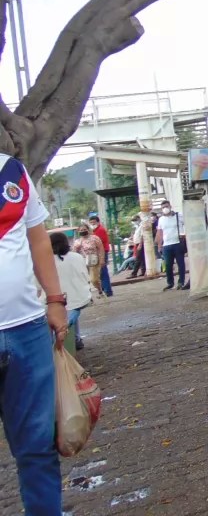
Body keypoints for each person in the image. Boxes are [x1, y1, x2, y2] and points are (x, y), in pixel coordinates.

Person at [0, 152, 70, 514]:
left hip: (26, 329)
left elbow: (38, 240)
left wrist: (56, 301)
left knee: (38, 448)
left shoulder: (11, 171)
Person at [48, 232, 92, 351]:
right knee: (72, 312)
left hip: (54, 301)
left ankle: (60, 343)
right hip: (78, 298)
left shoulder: (46, 261)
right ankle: (76, 339)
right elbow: (86, 278)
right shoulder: (77, 257)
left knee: (61, 319)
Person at [155, 200, 187, 291]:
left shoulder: (178, 216)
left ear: (170, 206)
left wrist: (184, 235)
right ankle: (170, 283)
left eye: (166, 206)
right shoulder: (161, 219)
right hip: (167, 245)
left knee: (181, 264)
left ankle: (181, 282)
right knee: (168, 265)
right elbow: (160, 232)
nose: (165, 208)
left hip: (177, 243)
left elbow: (187, 224)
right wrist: (159, 245)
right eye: (163, 207)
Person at [72, 222, 105, 297]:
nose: (82, 231)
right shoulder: (77, 241)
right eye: (81, 230)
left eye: (84, 229)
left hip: (94, 261)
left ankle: (99, 289)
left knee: (94, 279)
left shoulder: (95, 238)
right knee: (85, 280)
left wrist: (102, 259)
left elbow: (101, 248)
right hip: (83, 262)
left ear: (88, 229)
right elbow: (74, 253)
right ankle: (88, 296)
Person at [88, 214, 113, 297]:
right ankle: (104, 290)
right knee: (100, 272)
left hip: (102, 252)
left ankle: (107, 291)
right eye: (91, 223)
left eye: (94, 222)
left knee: (103, 272)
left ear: (98, 222)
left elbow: (99, 243)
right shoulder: (95, 231)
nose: (92, 224)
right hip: (98, 252)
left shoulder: (100, 230)